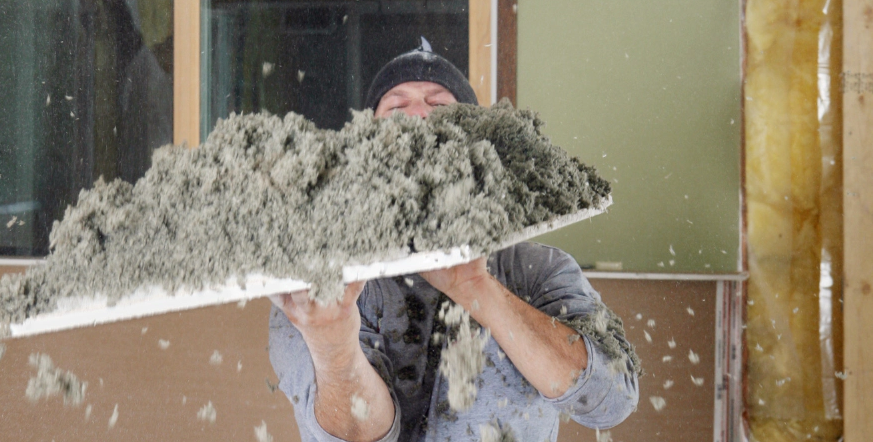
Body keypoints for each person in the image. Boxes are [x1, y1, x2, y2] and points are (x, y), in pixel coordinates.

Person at [268, 47, 640, 442]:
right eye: (396, 107)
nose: (417, 114)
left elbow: (610, 401)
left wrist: (476, 288)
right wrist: (332, 341)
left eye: (439, 104)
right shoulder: (318, 289)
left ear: (478, 142)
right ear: (366, 151)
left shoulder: (540, 272)